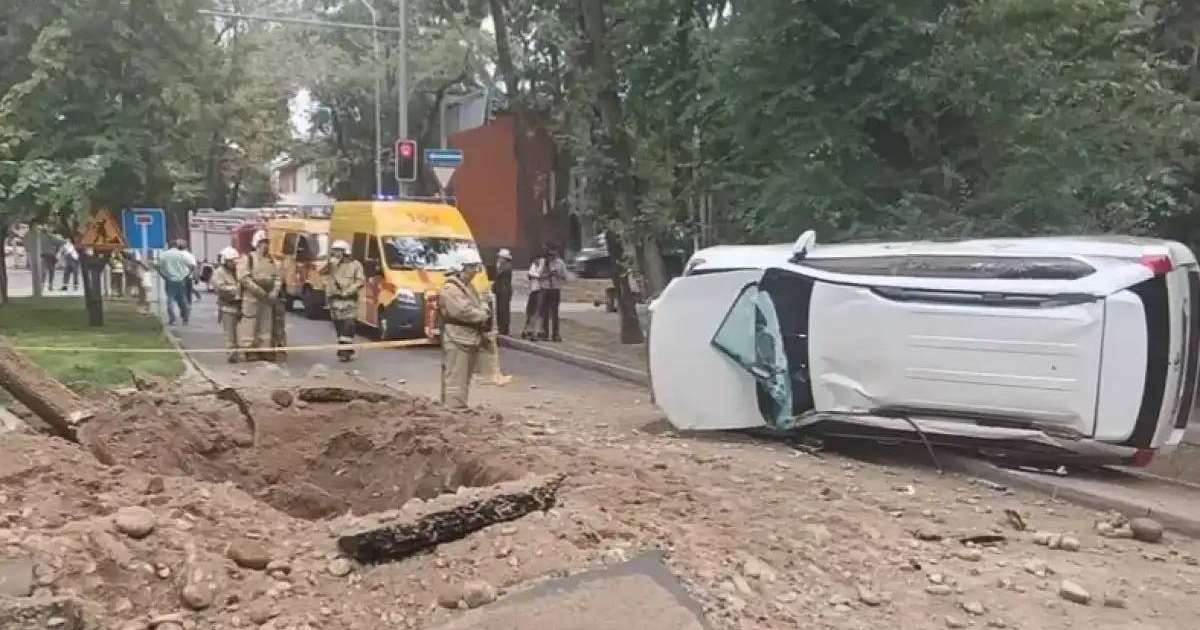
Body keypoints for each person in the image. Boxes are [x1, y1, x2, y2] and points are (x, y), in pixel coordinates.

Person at [439, 250, 491, 408]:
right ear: (462, 268)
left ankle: (457, 406)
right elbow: (463, 311)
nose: (475, 271)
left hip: (467, 337)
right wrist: (483, 314)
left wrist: (483, 309)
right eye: (473, 267)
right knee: (456, 377)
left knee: (463, 377)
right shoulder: (451, 289)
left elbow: (478, 304)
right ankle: (453, 409)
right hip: (457, 337)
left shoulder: (468, 287)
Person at [237, 231, 282, 361]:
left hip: (267, 298)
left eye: (267, 243)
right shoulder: (248, 259)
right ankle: (249, 349)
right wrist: (257, 290)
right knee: (250, 324)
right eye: (262, 243)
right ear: (256, 244)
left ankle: (264, 349)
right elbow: (244, 278)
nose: (265, 246)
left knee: (266, 324)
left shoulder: (271, 261)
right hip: (251, 298)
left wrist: (274, 291)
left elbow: (277, 278)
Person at [320, 240, 364, 361]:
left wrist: (349, 290)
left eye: (338, 251)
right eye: (334, 251)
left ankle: (343, 352)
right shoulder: (331, 265)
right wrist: (330, 266)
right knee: (339, 327)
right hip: (335, 302)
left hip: (349, 301)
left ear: (345, 252)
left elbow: (360, 281)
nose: (336, 253)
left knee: (348, 325)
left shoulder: (355, 265)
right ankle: (346, 348)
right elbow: (321, 274)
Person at [212, 247, 242, 363]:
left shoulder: (238, 271)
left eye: (235, 261)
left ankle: (240, 352)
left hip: (240, 305)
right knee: (230, 332)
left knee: (241, 332)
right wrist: (237, 290)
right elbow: (220, 288)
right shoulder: (219, 273)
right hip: (227, 306)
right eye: (231, 261)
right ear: (225, 261)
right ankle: (232, 354)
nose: (234, 263)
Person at [156, 240, 197, 326]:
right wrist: (187, 274)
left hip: (169, 280)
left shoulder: (164, 254)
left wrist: (163, 275)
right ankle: (185, 318)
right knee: (183, 300)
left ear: (169, 246)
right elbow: (192, 266)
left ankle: (173, 319)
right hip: (181, 280)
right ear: (177, 245)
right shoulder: (182, 254)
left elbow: (157, 266)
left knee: (170, 299)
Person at [532, 243, 567, 341]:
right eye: (549, 254)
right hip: (545, 289)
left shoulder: (560, 263)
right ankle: (545, 333)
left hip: (555, 289)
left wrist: (557, 275)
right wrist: (548, 274)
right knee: (545, 312)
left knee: (555, 313)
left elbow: (565, 277)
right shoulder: (543, 263)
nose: (551, 257)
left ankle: (556, 334)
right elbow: (538, 276)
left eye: (553, 255)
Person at [520, 252, 545, 340]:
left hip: (540, 291)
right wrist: (535, 276)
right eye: (534, 260)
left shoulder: (543, 265)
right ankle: (526, 329)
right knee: (529, 311)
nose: (536, 261)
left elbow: (541, 276)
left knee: (537, 312)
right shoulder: (533, 265)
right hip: (532, 290)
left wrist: (535, 276)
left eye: (537, 259)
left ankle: (535, 332)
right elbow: (530, 275)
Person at [493, 248, 514, 336]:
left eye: (500, 257)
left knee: (503, 310)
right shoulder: (502, 266)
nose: (499, 259)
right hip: (500, 290)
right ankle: (500, 328)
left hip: (504, 290)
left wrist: (497, 267)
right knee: (499, 310)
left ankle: (504, 330)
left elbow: (496, 274)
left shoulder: (507, 266)